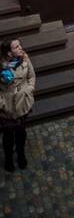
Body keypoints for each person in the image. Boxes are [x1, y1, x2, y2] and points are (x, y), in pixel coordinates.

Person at [1, 38, 36, 171]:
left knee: (21, 132)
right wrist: (1, 103)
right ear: (9, 53)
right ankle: (8, 159)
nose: (20, 48)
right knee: (8, 135)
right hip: (7, 106)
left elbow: (31, 76)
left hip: (22, 102)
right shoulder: (1, 66)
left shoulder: (25, 59)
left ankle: (21, 155)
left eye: (20, 45)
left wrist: (29, 90)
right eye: (16, 47)